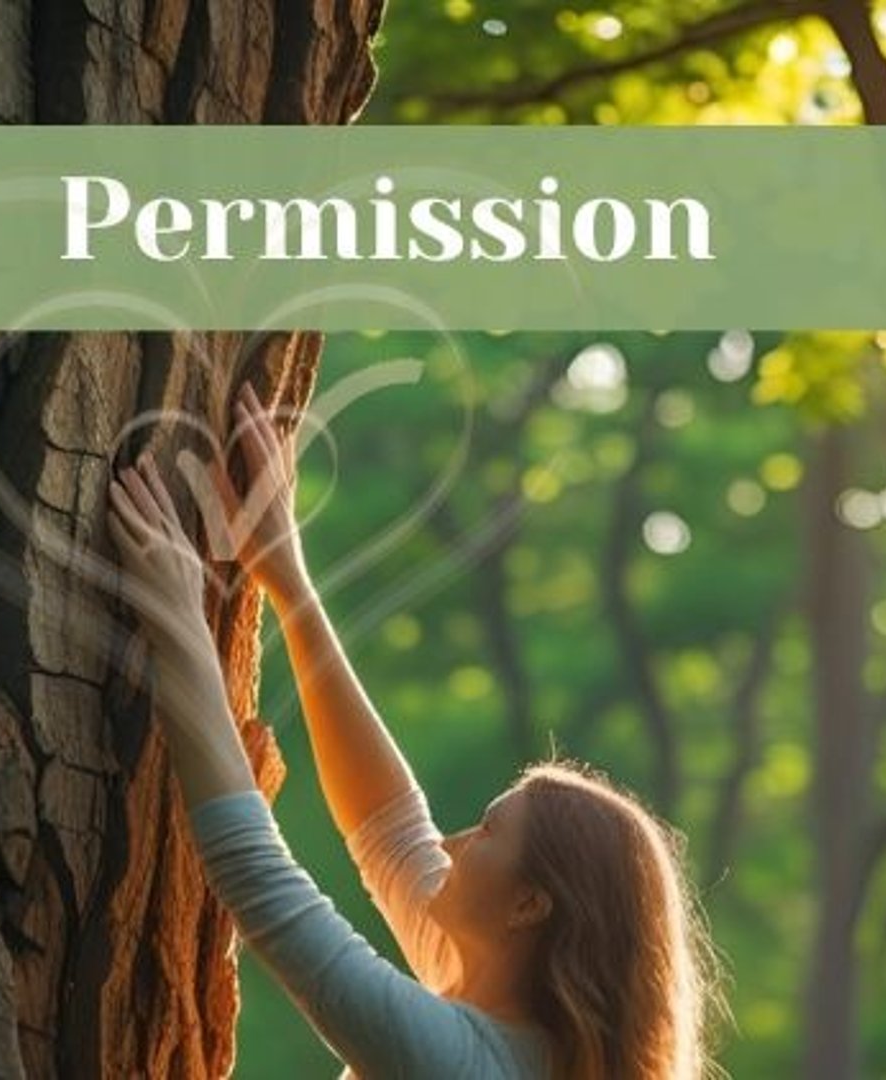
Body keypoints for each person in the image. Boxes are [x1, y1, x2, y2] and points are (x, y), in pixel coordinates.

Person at [105, 382, 729, 1079]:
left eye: (487, 832)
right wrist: (287, 578)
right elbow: (389, 828)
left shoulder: (461, 1064)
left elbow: (255, 872)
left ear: (527, 905)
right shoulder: (512, 1027)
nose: (452, 844)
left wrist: (178, 616)